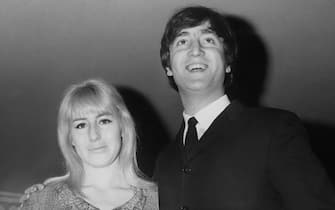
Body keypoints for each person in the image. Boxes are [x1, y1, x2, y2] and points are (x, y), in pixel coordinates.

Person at [154, 5, 335, 210]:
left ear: (227, 62)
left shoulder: (275, 129)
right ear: (169, 68)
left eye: (208, 40)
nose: (196, 50)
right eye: (182, 42)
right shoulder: (163, 162)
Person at [20, 79, 158, 210]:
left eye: (104, 121)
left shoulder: (162, 201)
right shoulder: (41, 202)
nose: (94, 135)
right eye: (81, 125)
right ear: (70, 138)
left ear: (122, 127)